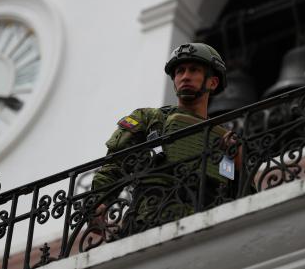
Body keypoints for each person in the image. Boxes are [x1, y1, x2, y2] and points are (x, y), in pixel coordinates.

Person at [87, 43, 239, 242]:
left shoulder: (224, 138)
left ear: (212, 82)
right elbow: (115, 164)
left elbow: (238, 192)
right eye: (179, 71)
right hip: (147, 225)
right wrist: (98, 203)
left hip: (207, 228)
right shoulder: (150, 119)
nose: (185, 76)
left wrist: (237, 160)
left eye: (194, 70)